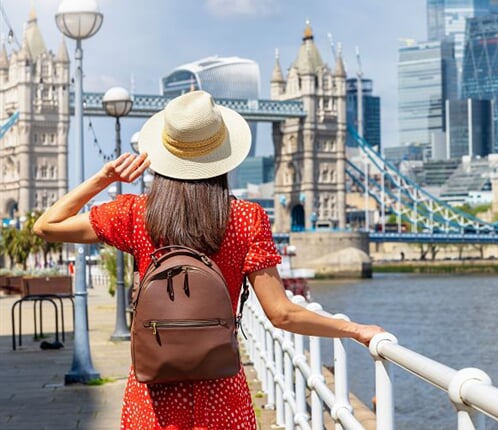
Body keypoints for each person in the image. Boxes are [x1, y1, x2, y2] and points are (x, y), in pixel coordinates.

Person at [33, 90, 385, 430]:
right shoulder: (246, 219)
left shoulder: (136, 214)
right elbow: (282, 314)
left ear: (164, 153)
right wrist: (355, 330)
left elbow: (46, 226)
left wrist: (103, 178)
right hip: (221, 394)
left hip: (152, 397)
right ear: (222, 155)